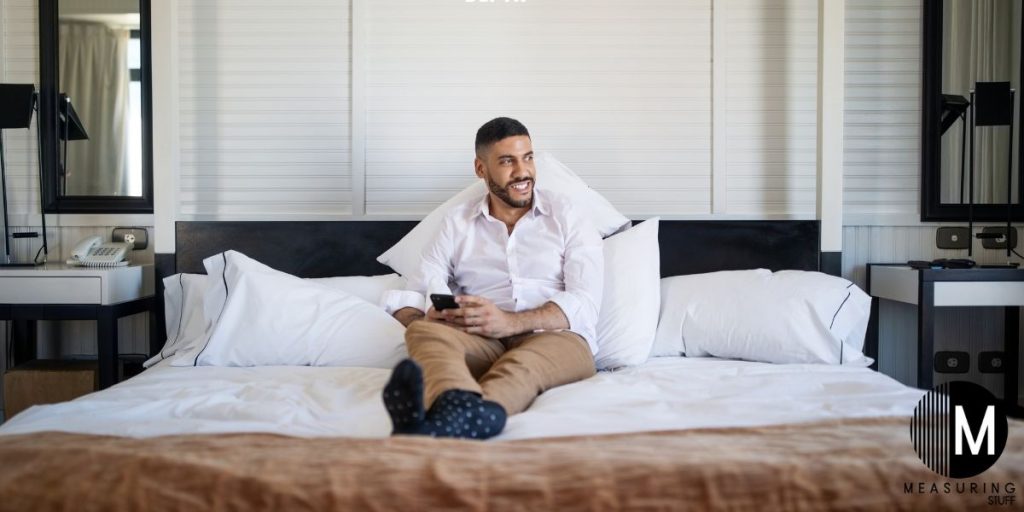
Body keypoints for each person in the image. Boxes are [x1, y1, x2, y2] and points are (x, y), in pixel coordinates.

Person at [380, 117, 603, 440]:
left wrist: (509, 323)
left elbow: (585, 301)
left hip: (557, 339)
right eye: (507, 161)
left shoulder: (567, 214)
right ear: (481, 169)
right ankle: (451, 403)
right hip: (481, 339)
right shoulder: (457, 223)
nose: (523, 172)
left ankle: (475, 413)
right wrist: (431, 315)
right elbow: (417, 288)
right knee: (425, 332)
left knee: (523, 365)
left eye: (528, 157)